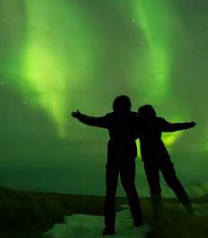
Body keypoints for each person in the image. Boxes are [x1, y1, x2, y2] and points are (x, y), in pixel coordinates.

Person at [71, 95, 143, 236]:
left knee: (110, 191)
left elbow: (93, 121)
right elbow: (149, 125)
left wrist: (80, 117)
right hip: (128, 154)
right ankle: (138, 220)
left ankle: (109, 226)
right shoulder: (136, 118)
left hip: (114, 155)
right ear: (129, 105)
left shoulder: (111, 118)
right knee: (130, 187)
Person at [137, 104, 195, 218]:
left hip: (149, 158)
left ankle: (157, 214)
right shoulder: (156, 121)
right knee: (173, 183)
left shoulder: (138, 123)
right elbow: (172, 127)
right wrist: (189, 125)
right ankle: (189, 209)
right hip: (161, 156)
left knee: (155, 187)